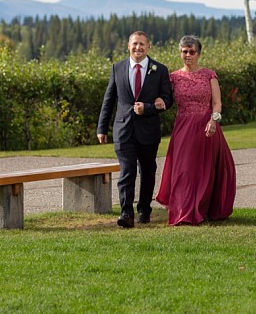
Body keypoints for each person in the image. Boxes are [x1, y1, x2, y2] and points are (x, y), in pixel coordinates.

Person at [154, 36, 236, 226]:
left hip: (208, 126)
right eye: (184, 51)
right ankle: (183, 211)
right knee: (184, 170)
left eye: (192, 52)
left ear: (199, 53)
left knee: (206, 170)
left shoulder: (209, 75)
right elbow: (164, 98)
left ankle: (203, 209)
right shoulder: (173, 77)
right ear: (180, 52)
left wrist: (213, 121)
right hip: (183, 127)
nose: (188, 55)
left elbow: (217, 104)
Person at [97, 31, 174, 229]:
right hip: (123, 130)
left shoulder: (160, 70)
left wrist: (148, 107)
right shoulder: (117, 68)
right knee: (127, 172)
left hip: (148, 131)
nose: (138, 48)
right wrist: (101, 128)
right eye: (134, 44)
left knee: (147, 171)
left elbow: (168, 100)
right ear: (128, 45)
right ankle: (126, 213)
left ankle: (144, 210)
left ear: (148, 47)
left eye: (142, 44)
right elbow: (109, 100)